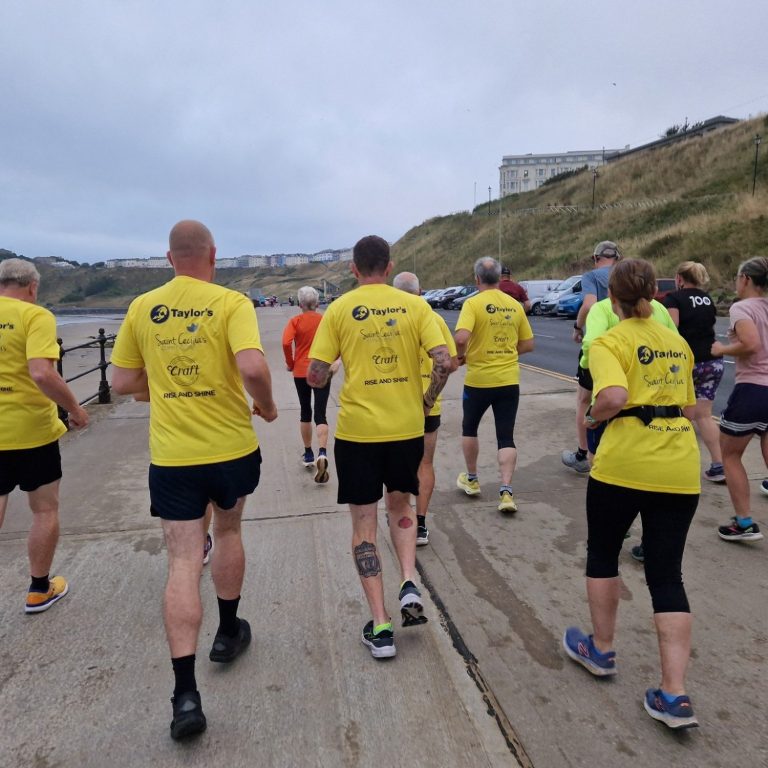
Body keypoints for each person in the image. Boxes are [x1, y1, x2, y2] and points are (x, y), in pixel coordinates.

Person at [111, 220, 277, 740]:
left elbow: (121, 381)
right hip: (230, 449)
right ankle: (227, 633)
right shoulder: (231, 303)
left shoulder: (143, 306)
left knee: (184, 561)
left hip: (174, 456)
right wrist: (268, 406)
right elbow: (253, 368)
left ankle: (185, 696)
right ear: (213, 255)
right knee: (227, 532)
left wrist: (159, 384)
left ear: (169, 258)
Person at [563, 258, 701, 730]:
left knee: (603, 554)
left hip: (623, 464)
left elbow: (613, 397)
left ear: (612, 297)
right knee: (667, 574)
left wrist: (593, 418)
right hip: (678, 465)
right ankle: (674, 694)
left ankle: (601, 650)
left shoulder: (610, 341)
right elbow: (688, 406)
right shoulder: (676, 343)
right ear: (653, 295)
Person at [307, 235, 451, 660]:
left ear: (353, 269)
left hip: (359, 434)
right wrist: (426, 400)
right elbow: (444, 361)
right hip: (406, 428)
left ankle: (382, 625)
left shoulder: (338, 309)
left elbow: (315, 374)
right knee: (401, 507)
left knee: (364, 525)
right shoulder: (416, 306)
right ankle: (408, 579)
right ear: (389, 267)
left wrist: (331, 370)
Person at [0, 258, 89, 614]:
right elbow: (41, 373)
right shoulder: (35, 316)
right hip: (31, 431)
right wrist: (75, 408)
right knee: (44, 508)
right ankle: (39, 589)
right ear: (33, 286)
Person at [454, 257, 534, 513]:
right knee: (505, 435)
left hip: (478, 381)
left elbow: (461, 337)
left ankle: (472, 479)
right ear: (500, 278)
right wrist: (506, 353)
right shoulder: (514, 305)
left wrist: (461, 356)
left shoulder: (472, 304)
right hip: (508, 380)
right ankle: (506, 491)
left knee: (470, 428)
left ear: (476, 279)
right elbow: (528, 344)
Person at [392, 271, 458, 546]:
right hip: (428, 403)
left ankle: (400, 517)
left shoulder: (389, 319)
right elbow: (450, 363)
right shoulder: (435, 319)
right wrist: (429, 399)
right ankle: (420, 524)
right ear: (420, 292)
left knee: (398, 463)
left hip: (396, 400)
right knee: (425, 463)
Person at [711, 256, 768, 543]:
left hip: (752, 389)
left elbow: (751, 343)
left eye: (737, 277)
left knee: (730, 455)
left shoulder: (741, 308)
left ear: (745, 279)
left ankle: (744, 523)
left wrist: (722, 349)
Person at [562, 241, 621, 473]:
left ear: (596, 258)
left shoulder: (592, 276)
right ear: (617, 258)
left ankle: (583, 454)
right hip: (628, 345)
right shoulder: (626, 272)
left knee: (585, 400)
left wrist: (578, 328)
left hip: (600, 346)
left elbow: (589, 304)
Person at [663, 262, 725, 482]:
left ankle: (677, 464)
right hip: (712, 361)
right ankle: (719, 465)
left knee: (678, 414)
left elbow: (672, 330)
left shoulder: (674, 299)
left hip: (687, 363)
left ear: (679, 278)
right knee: (704, 415)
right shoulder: (707, 299)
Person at [282, 285, 337, 483]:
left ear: (300, 303)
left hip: (301, 371)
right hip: (321, 368)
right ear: (317, 302)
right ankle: (322, 452)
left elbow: (286, 342)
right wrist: (333, 361)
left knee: (305, 411)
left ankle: (308, 454)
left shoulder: (295, 321)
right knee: (320, 413)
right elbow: (337, 342)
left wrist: (291, 363)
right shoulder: (325, 320)